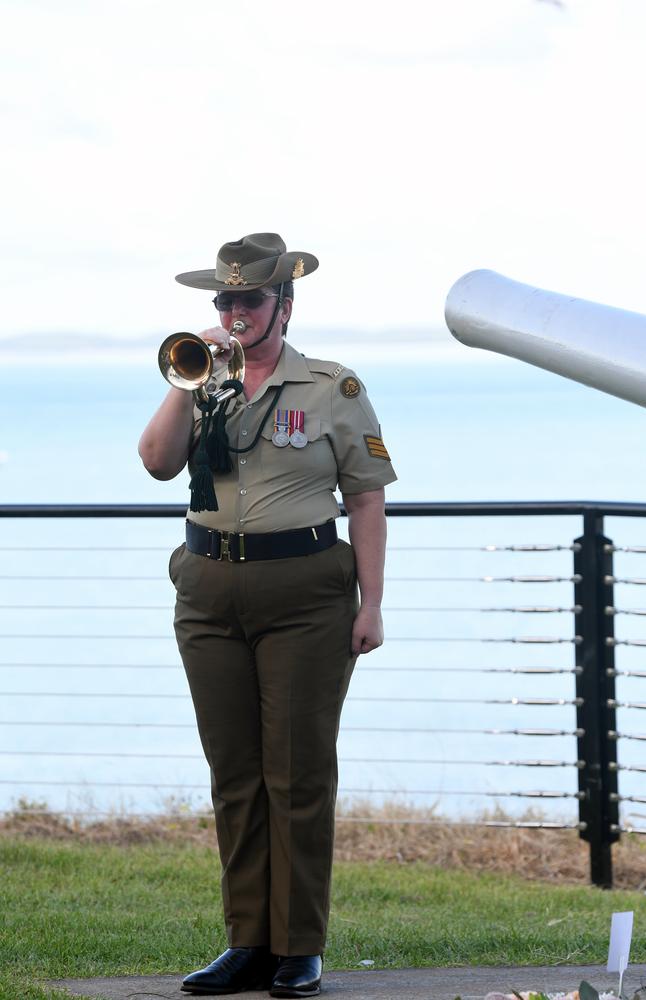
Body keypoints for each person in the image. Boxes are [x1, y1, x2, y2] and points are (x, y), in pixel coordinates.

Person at [138, 233, 397, 998]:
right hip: (210, 592)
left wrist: (373, 604)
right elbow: (156, 461)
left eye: (248, 299)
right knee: (236, 775)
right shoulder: (202, 377)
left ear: (283, 303)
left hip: (306, 593)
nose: (233, 311)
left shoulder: (331, 387)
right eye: (223, 300)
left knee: (298, 773)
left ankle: (300, 946)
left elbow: (368, 499)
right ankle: (247, 941)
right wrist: (186, 378)